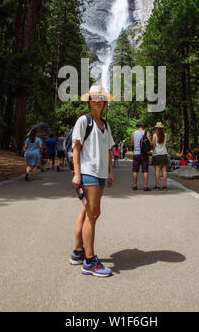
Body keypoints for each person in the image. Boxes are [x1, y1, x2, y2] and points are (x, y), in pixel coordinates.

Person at [70, 85, 115, 277]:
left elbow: (108, 151)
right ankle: (90, 261)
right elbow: (76, 148)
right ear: (89, 101)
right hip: (89, 172)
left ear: (104, 102)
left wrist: (111, 172)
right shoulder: (83, 120)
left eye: (100, 98)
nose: (97, 100)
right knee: (93, 214)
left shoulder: (105, 125)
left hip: (101, 173)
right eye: (94, 97)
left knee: (86, 211)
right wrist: (77, 173)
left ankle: (78, 252)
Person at [131, 121, 152, 191]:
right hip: (144, 154)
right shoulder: (146, 133)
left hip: (136, 153)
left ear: (138, 126)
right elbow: (150, 143)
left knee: (135, 170)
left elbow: (132, 144)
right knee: (145, 170)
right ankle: (145, 186)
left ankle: (134, 185)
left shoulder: (133, 133)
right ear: (143, 126)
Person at [151, 122, 168, 190]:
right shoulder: (165, 135)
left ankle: (157, 185)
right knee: (164, 171)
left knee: (157, 171)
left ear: (156, 128)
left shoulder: (155, 135)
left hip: (157, 154)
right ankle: (164, 186)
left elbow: (153, 145)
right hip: (164, 153)